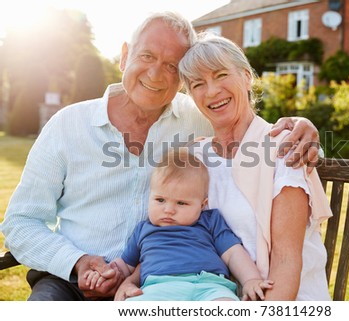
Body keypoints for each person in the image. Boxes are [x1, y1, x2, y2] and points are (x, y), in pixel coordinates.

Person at [1, 11, 321, 301]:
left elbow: (244, 122)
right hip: (71, 281)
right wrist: (76, 262)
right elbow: (21, 223)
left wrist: (305, 127)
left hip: (164, 283)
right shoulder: (67, 126)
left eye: (171, 66)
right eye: (147, 56)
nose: (156, 74)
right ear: (125, 56)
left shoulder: (195, 121)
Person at [115, 32, 333, 301]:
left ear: (246, 76)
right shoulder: (195, 157)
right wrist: (132, 280)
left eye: (220, 75)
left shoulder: (284, 147)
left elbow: (286, 260)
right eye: (197, 84)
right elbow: (171, 237)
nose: (212, 91)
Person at [84, 148, 273, 301]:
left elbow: (233, 254)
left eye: (181, 203)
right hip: (157, 289)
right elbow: (125, 265)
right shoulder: (144, 229)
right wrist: (104, 274)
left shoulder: (210, 221)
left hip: (210, 286)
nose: (169, 210)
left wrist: (251, 280)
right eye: (160, 200)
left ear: (202, 204)